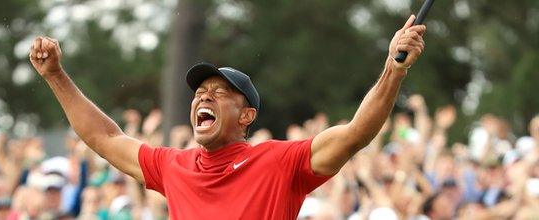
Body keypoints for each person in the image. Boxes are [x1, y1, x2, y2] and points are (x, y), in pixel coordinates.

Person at [28, 14, 426, 219]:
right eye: (200, 93)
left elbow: (356, 133)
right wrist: (56, 76)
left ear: (246, 115)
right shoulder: (174, 166)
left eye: (219, 94)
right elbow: (105, 138)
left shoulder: (279, 162)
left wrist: (393, 68)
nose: (205, 98)